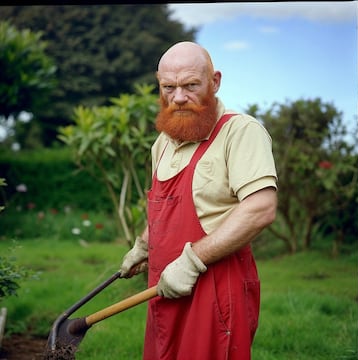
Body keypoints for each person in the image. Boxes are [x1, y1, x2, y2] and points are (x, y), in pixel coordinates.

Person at [119, 41, 278, 360]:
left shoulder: (240, 131)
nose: (178, 97)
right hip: (163, 287)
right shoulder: (162, 143)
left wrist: (193, 261)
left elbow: (260, 208)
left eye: (191, 85)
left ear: (214, 81)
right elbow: (166, 211)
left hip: (216, 290)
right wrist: (143, 246)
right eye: (169, 87)